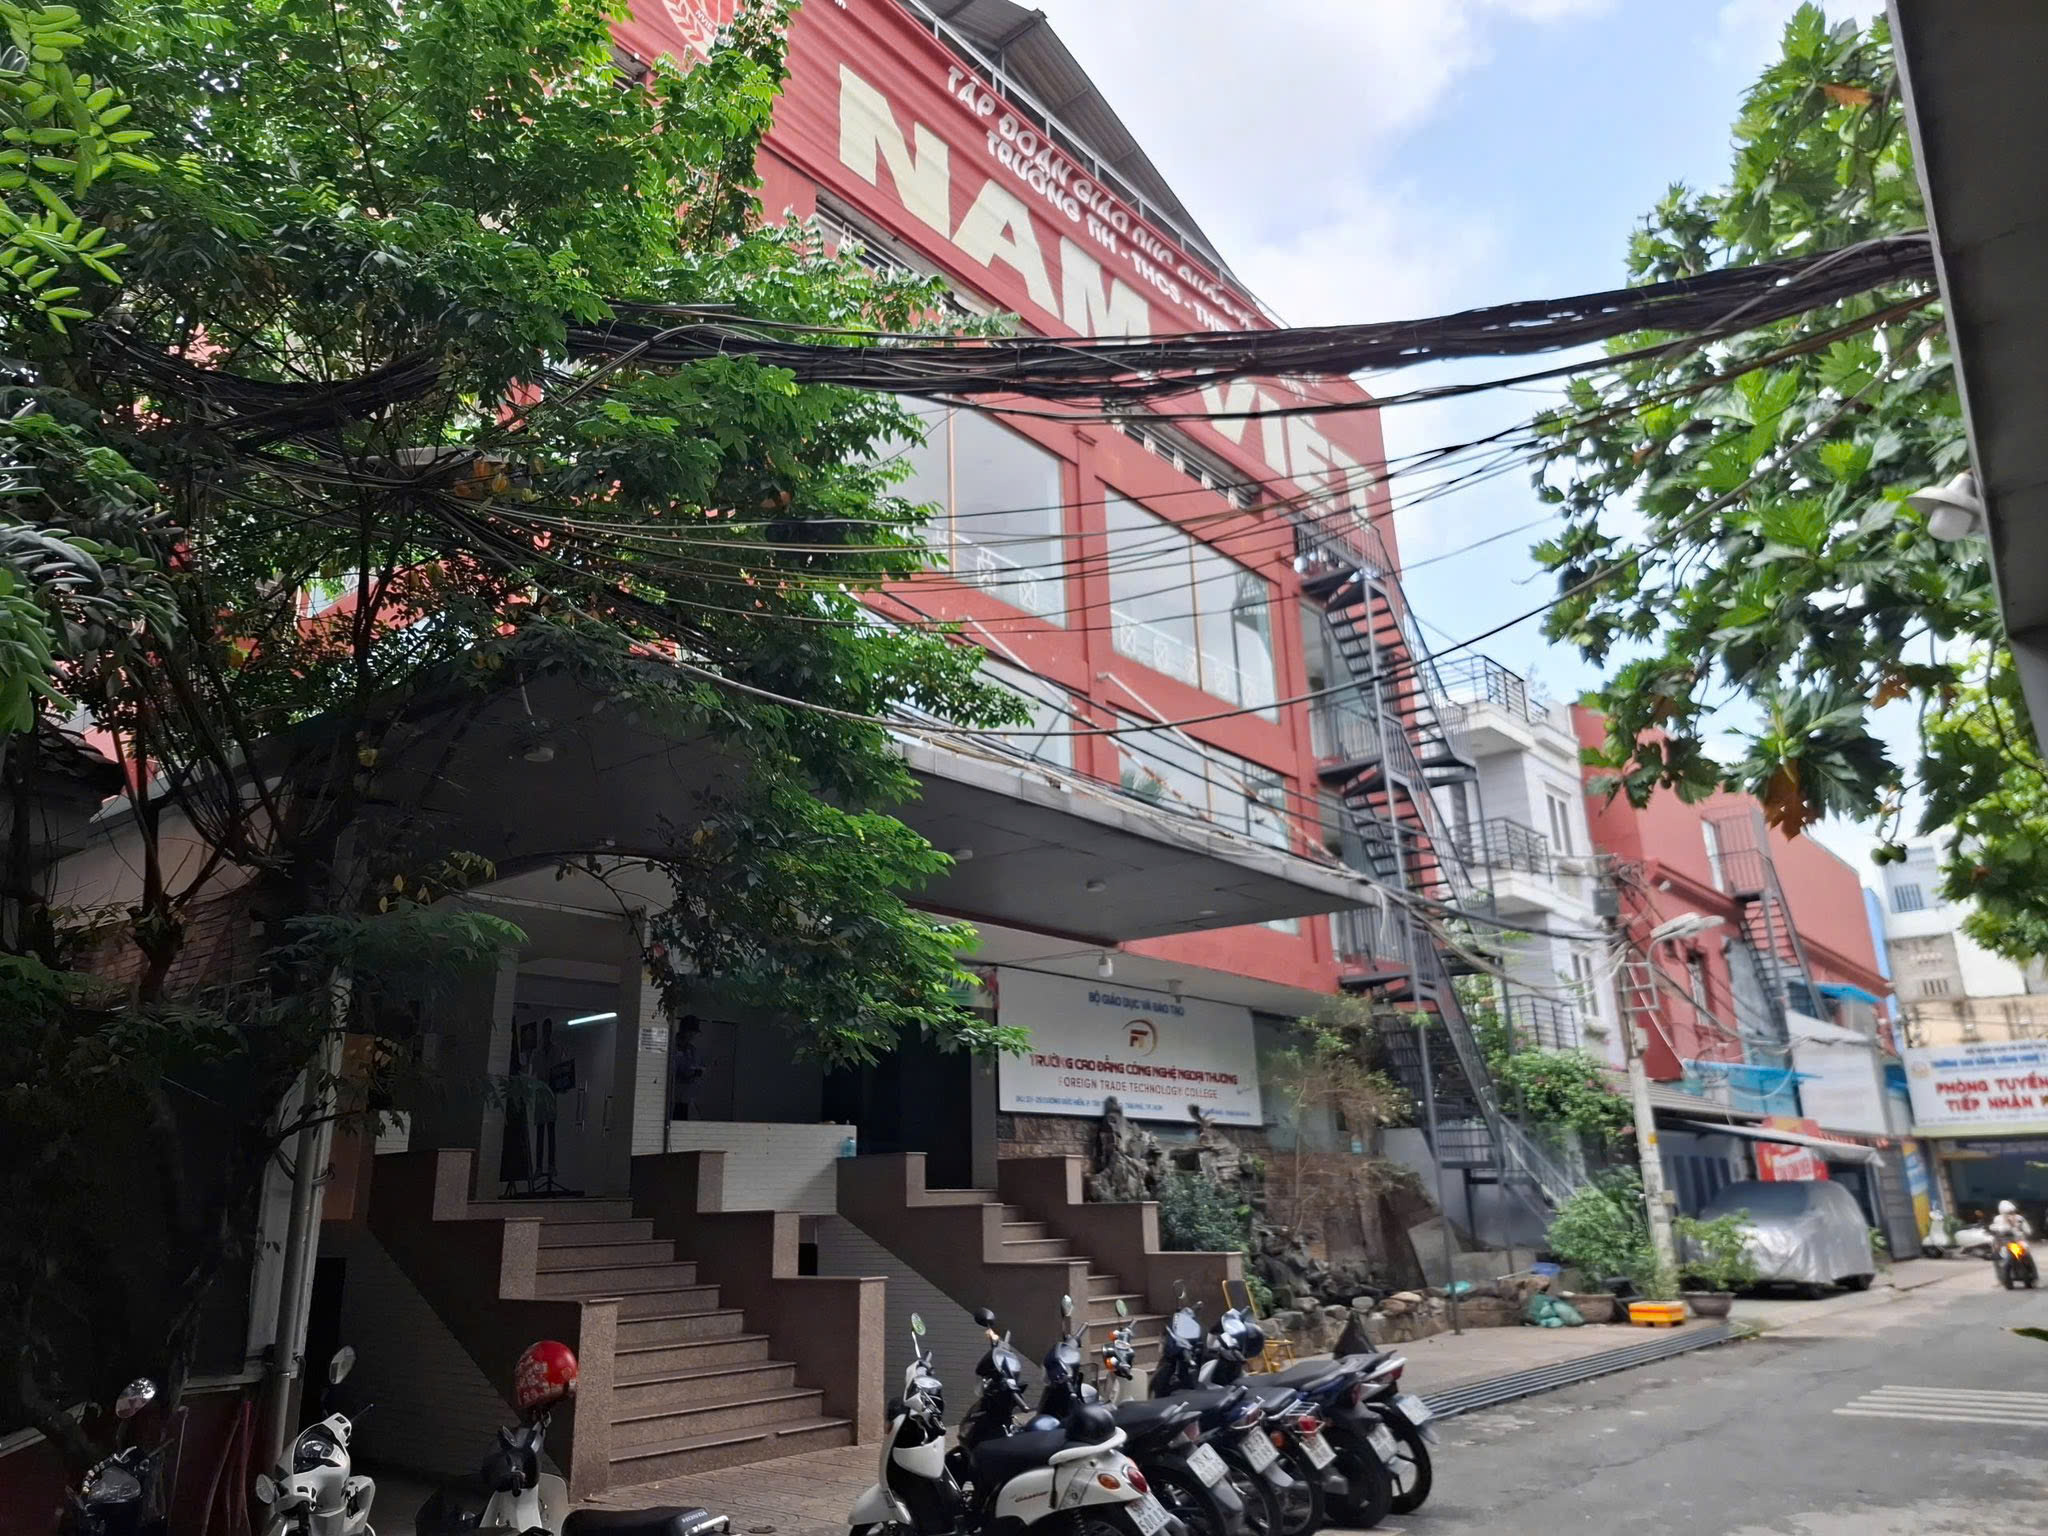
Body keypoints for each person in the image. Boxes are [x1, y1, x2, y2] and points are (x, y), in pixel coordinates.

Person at [670, 1015, 703, 1121]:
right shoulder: (671, 1046)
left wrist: (696, 1072)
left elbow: (694, 1066)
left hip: (685, 1096)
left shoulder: (692, 1050)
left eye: (694, 1033)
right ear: (683, 1030)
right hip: (671, 1095)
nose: (693, 1035)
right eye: (690, 1032)